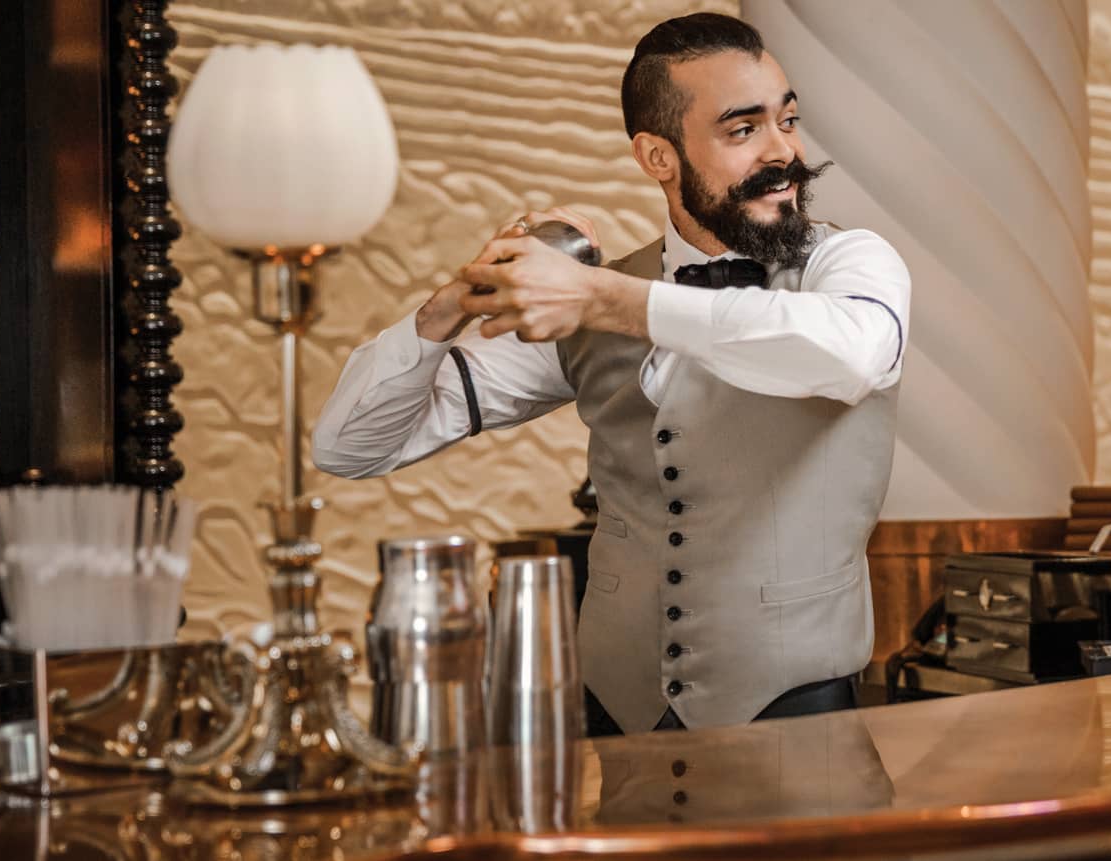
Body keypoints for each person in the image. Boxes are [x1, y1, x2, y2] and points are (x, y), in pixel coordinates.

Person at [312, 12, 910, 735]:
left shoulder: (847, 266)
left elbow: (848, 354)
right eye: (743, 130)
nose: (785, 151)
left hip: (798, 720)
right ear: (658, 156)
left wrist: (606, 299)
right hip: (614, 718)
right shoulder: (589, 309)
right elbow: (351, 447)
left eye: (787, 120)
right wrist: (451, 304)